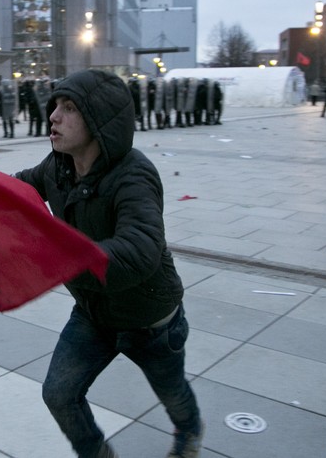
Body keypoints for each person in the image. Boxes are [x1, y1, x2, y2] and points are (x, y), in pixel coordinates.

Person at [14, 69, 202, 458]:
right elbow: (11, 191)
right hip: (93, 313)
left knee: (172, 392)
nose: (53, 116)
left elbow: (139, 249)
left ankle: (189, 430)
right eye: (55, 105)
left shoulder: (134, 174)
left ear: (98, 118)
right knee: (58, 394)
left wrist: (56, 258)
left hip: (150, 320)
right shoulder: (57, 166)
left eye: (69, 108)